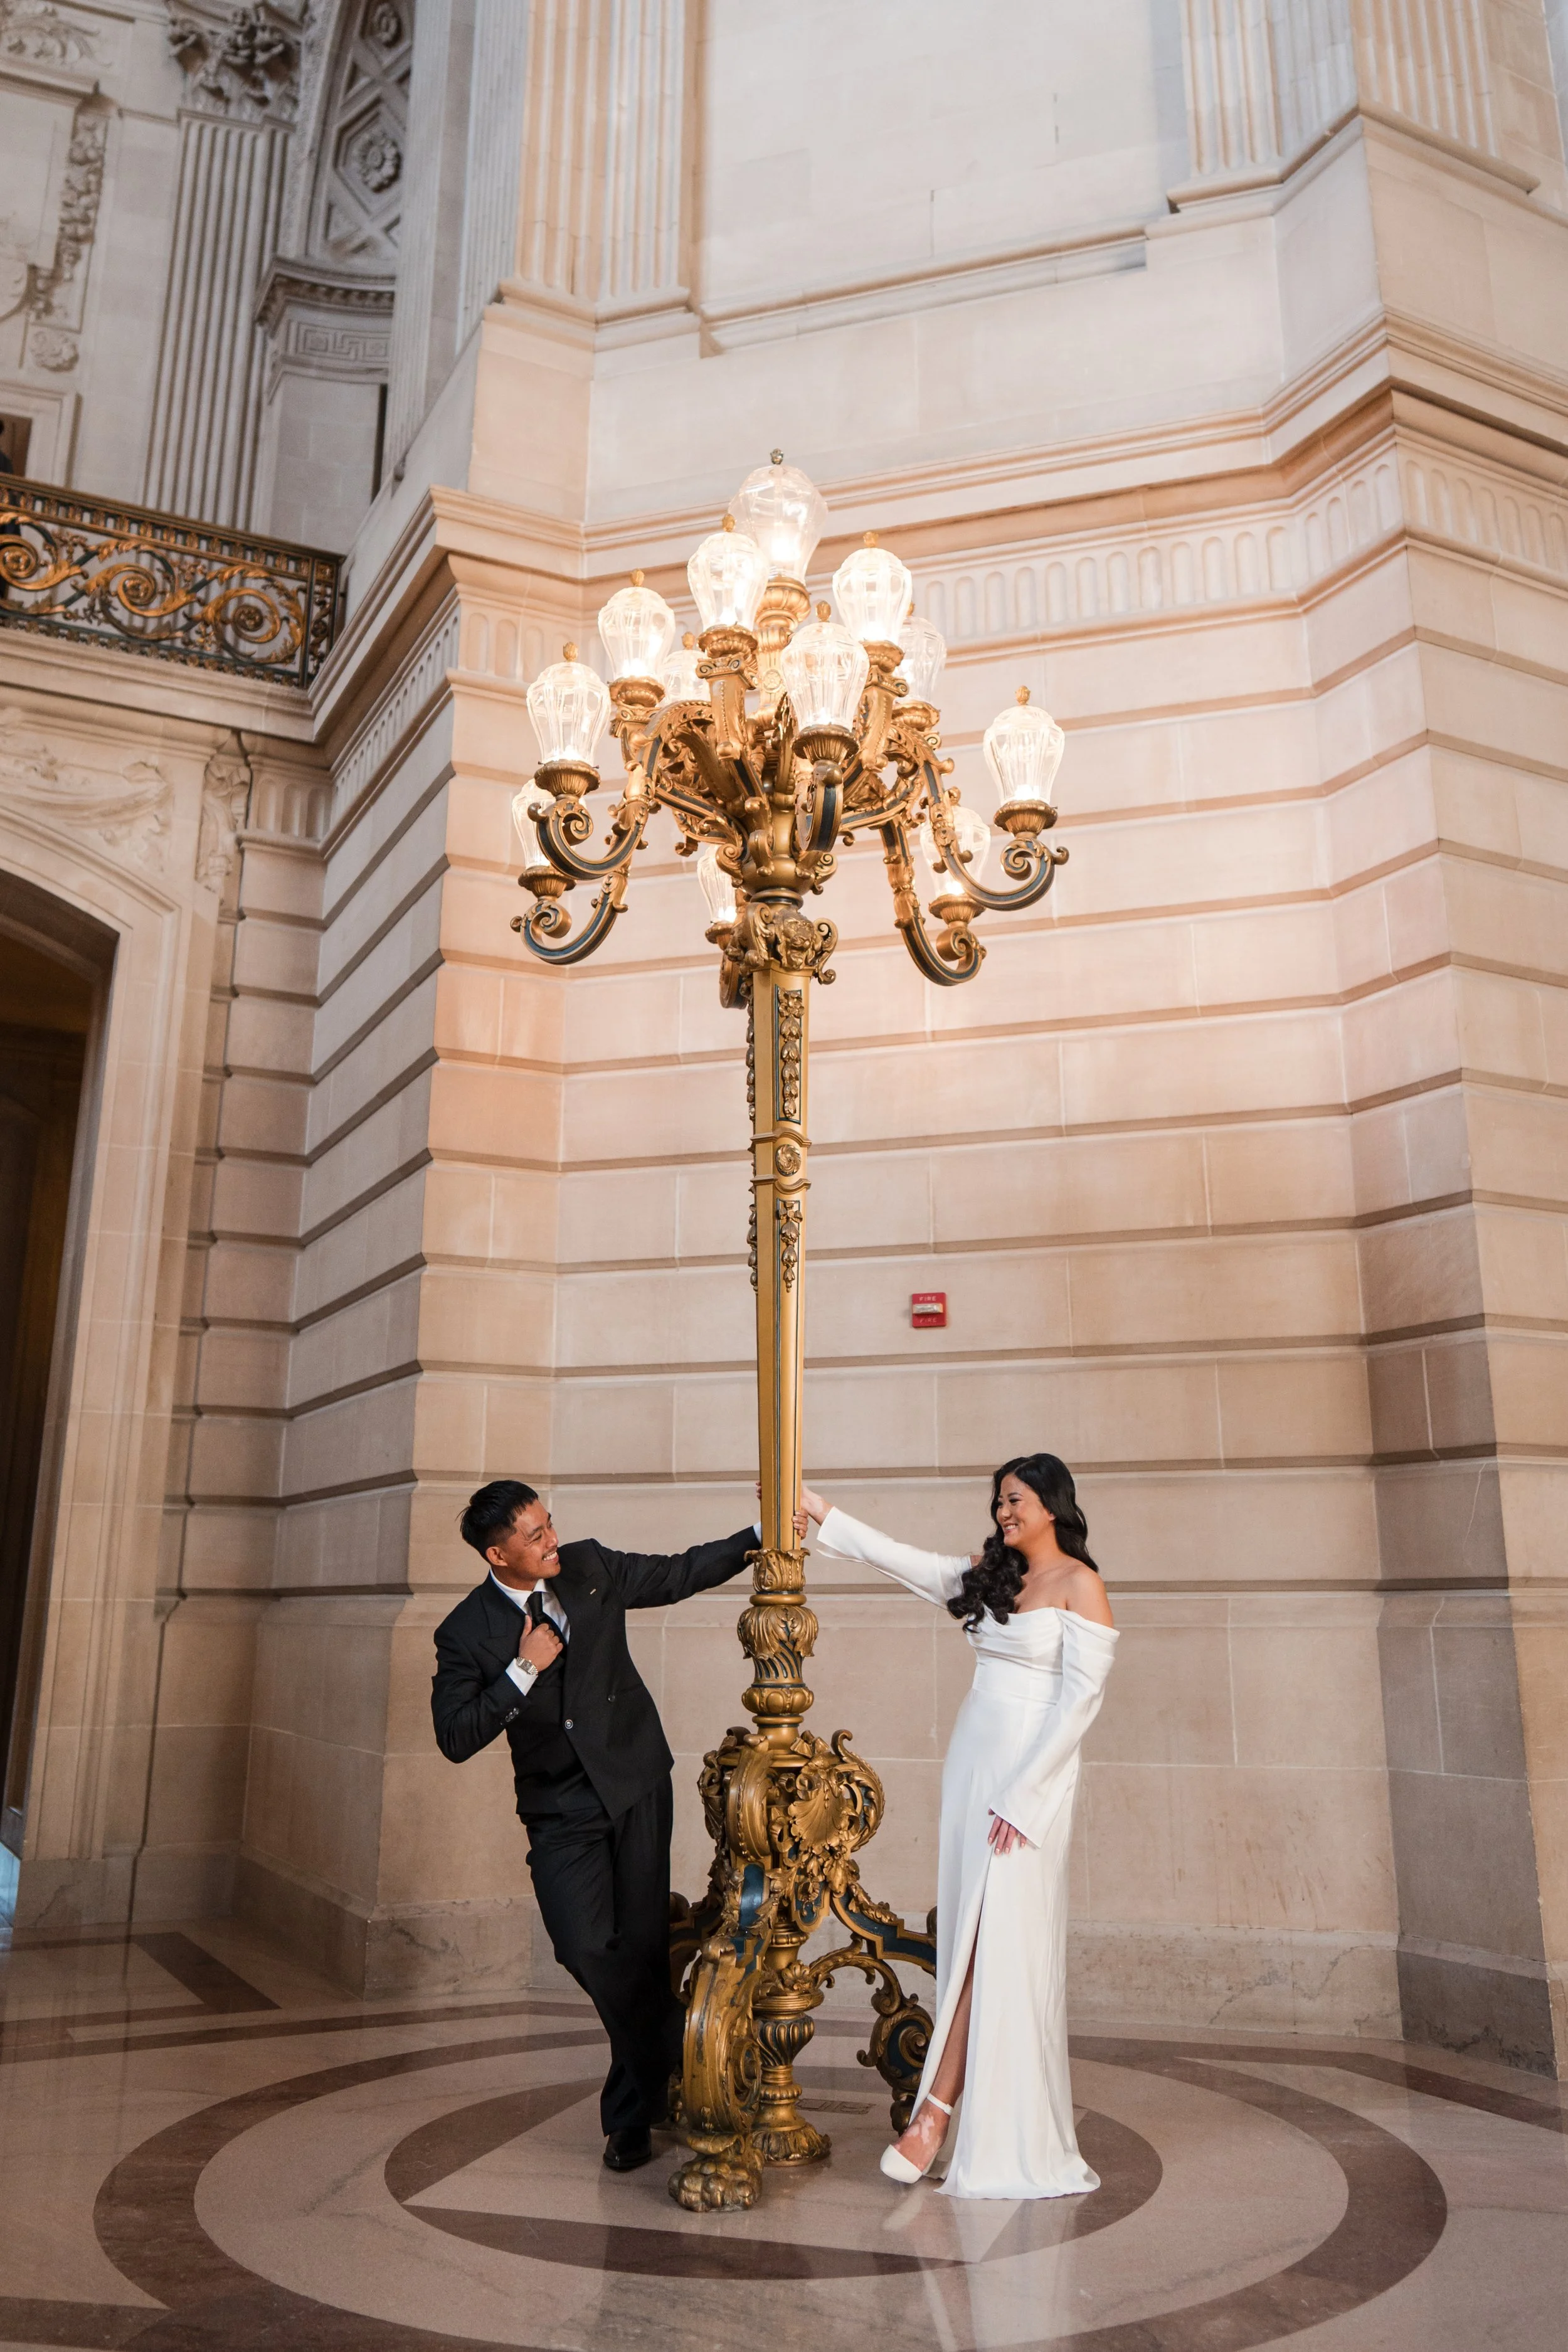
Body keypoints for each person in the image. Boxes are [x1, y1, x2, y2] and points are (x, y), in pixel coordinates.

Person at [800, 1453, 1117, 2200]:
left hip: (1029, 1784)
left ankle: (934, 2116)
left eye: (1016, 1499)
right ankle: (944, 2113)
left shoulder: (1080, 1584)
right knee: (970, 1935)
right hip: (973, 1767)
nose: (1003, 1511)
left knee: (992, 1942)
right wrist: (817, 1510)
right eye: (999, 1500)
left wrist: (1025, 1798)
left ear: (1051, 1505)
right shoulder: (991, 1574)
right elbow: (901, 1561)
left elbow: (1080, 1704)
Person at [430, 1478, 757, 2174]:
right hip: (560, 1811)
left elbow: (676, 1574)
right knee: (583, 1946)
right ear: (497, 1554)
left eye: (549, 1525)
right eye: (535, 1536)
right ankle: (681, 2042)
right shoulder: (464, 1631)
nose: (552, 1541)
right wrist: (524, 1668)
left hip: (636, 1784)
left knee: (640, 1948)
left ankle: (632, 2116)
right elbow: (455, 1736)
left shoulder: (590, 1566)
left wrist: (756, 1539)